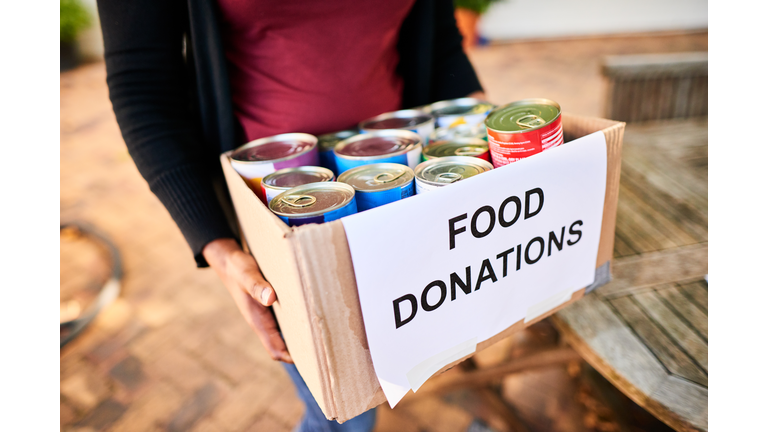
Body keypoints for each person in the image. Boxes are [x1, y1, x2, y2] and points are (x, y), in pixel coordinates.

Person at [96, 0, 484, 430]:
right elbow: (142, 85)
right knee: (345, 415)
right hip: (279, 212)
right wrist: (219, 246)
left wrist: (478, 129)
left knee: (415, 332)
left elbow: (441, 39)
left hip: (402, 179)